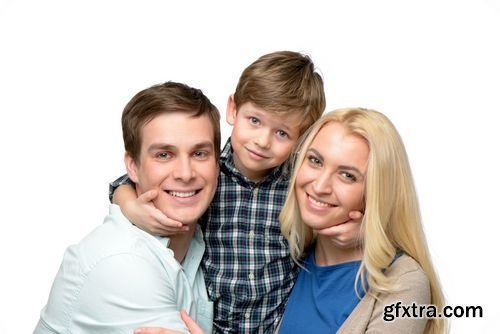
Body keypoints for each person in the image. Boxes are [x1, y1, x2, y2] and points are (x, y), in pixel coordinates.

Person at [110, 51, 362, 333]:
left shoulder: (299, 186)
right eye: (254, 120)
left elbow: (336, 211)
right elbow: (132, 180)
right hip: (207, 323)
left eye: (282, 133)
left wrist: (356, 232)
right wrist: (129, 205)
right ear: (233, 109)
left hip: (275, 326)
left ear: (302, 138)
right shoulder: (204, 172)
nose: (262, 141)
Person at [34, 81, 221, 334]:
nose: (185, 174)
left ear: (218, 164)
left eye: (200, 153)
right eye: (164, 155)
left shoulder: (200, 241)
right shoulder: (123, 263)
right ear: (132, 166)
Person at [278, 108, 446, 333]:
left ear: (376, 193)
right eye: (315, 160)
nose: (319, 186)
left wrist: (375, 233)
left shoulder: (405, 283)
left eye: (347, 175)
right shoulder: (286, 255)